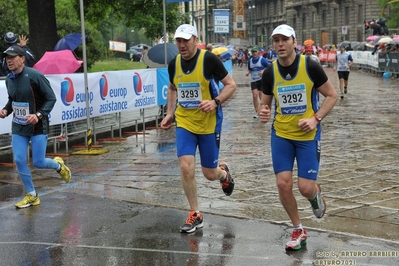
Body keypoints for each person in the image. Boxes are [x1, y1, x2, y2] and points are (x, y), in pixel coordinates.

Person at [259, 24, 338, 251]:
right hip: (281, 135)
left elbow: (332, 96)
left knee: (305, 187)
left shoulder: (310, 66)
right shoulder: (270, 72)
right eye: (276, 40)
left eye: (284, 39)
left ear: (295, 42)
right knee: (283, 184)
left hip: (307, 135)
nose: (280, 44)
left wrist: (316, 118)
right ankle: (298, 229)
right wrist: (263, 113)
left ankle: (315, 196)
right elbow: (265, 107)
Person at [160, 24, 236, 234]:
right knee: (186, 167)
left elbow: (231, 85)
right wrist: (169, 113)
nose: (182, 45)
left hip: (208, 122)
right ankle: (195, 214)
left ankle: (223, 174)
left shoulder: (209, 60)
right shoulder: (174, 63)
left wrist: (215, 101)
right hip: (184, 122)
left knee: (209, 173)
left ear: (195, 39)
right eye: (179, 41)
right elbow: (173, 88)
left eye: (186, 40)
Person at [0, 45, 72, 209]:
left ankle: (58, 166)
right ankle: (32, 195)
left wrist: (38, 115)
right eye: (7, 57)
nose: (9, 60)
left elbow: (51, 98)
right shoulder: (8, 79)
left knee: (39, 162)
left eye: (12, 57)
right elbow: (13, 100)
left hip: (38, 125)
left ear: (22, 58)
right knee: (19, 159)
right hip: (19, 126)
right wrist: (6, 110)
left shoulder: (35, 76)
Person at [245, 46, 270, 118]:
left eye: (255, 52)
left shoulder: (262, 60)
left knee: (261, 96)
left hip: (262, 80)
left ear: (258, 52)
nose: (254, 53)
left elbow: (269, 67)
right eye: (253, 52)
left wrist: (263, 72)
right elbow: (249, 69)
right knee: (255, 95)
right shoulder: (250, 61)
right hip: (254, 80)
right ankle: (257, 111)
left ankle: (261, 111)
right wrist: (247, 72)